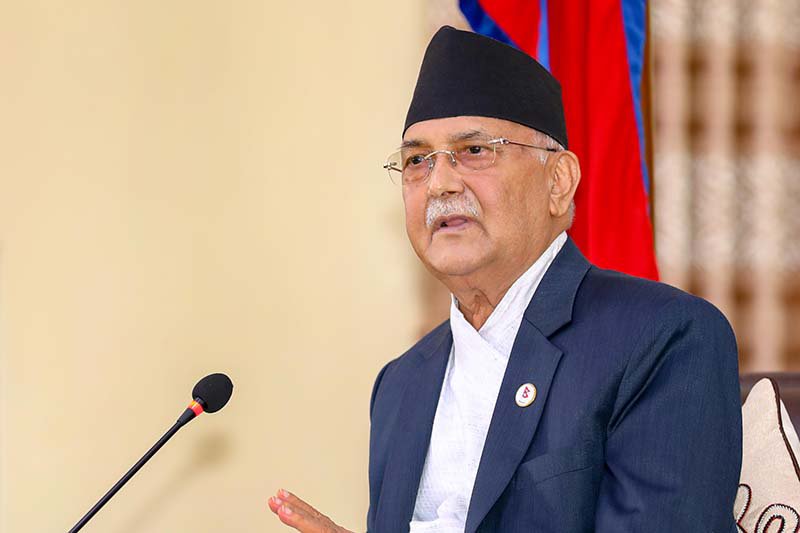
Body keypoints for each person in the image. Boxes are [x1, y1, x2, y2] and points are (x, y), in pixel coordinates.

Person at [268, 26, 742, 532]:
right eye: (417, 161)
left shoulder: (663, 338)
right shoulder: (399, 385)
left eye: (475, 150)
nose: (439, 183)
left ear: (558, 182)